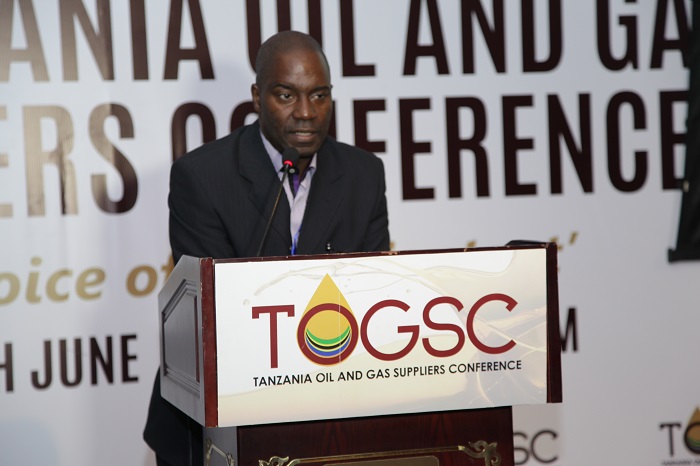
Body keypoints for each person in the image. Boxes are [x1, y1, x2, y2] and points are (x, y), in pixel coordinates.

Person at [143, 30, 390, 466]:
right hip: (211, 422)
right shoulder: (202, 177)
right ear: (258, 98)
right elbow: (212, 316)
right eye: (286, 95)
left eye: (319, 96)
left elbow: (373, 294)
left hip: (331, 418)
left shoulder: (363, 174)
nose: (306, 112)